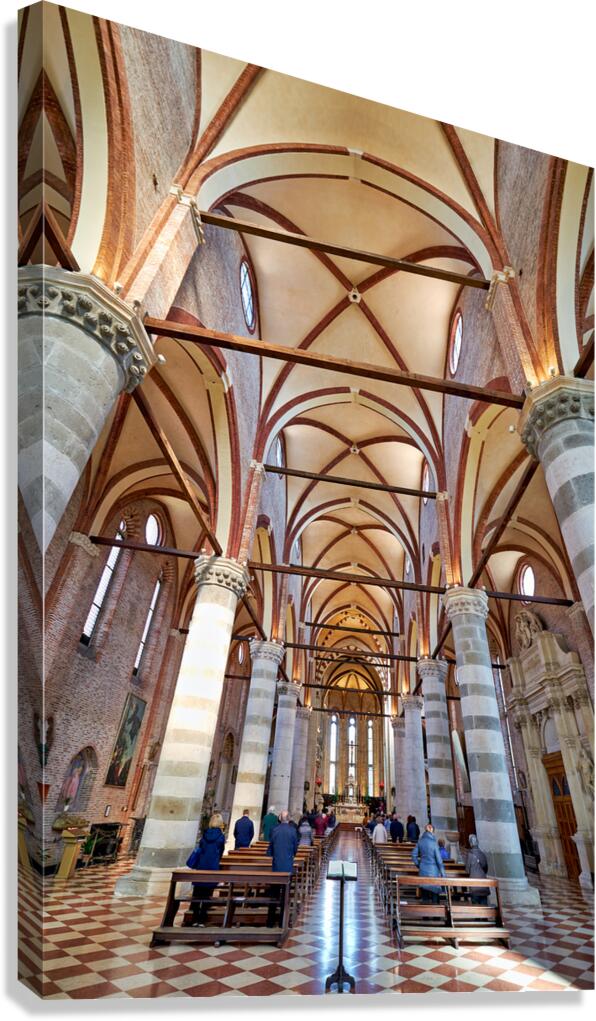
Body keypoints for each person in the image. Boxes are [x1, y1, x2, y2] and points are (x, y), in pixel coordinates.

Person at [186, 812, 226, 925]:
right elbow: (221, 851)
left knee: (197, 892)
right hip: (212, 865)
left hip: (202, 865)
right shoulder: (221, 837)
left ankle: (193, 918)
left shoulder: (205, 834)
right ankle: (202, 919)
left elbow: (201, 848)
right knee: (207, 893)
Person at [411, 823, 446, 903]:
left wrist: (419, 865)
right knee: (435, 895)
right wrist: (443, 874)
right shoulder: (434, 843)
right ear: (431, 831)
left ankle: (425, 914)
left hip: (423, 871)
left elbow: (413, 855)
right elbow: (439, 861)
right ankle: (435, 914)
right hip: (433, 872)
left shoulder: (420, 841)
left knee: (425, 895)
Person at [465, 834, 490, 905]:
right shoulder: (482, 854)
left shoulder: (469, 855)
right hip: (483, 883)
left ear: (470, 844)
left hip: (474, 884)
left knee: (476, 906)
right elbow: (486, 868)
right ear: (477, 842)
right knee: (484, 905)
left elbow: (467, 870)